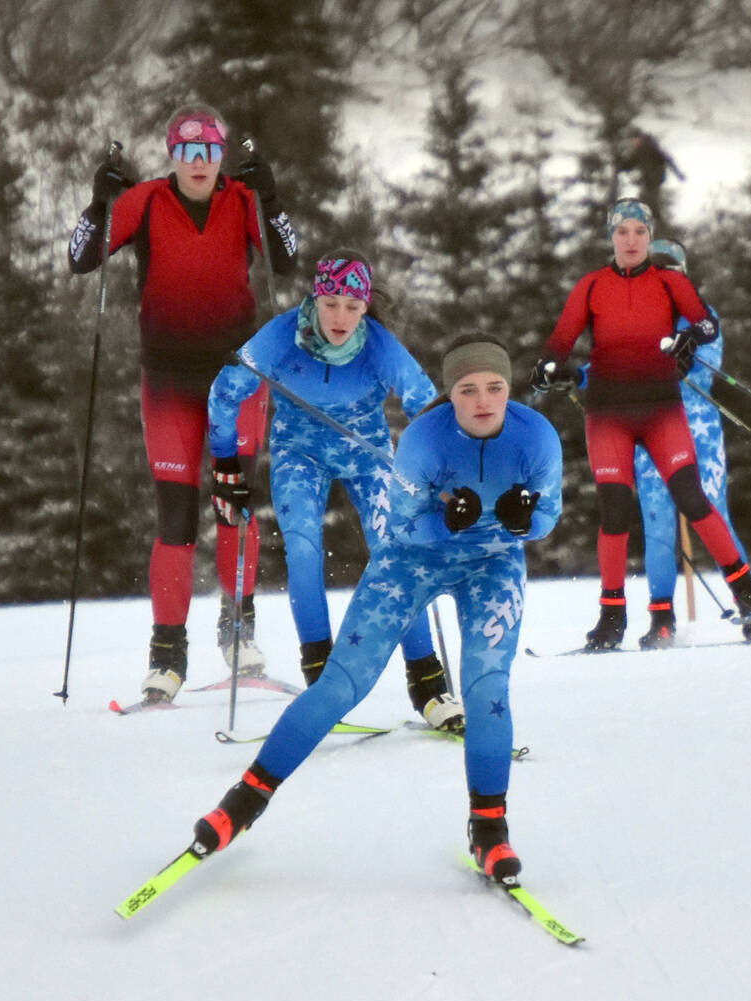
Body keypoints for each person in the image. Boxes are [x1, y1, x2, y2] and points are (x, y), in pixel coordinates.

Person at [183, 336, 561, 886]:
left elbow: (549, 517)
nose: (483, 400)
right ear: (450, 394)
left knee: (487, 688)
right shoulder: (424, 441)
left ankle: (489, 830)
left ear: (509, 389)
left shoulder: (537, 438)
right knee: (340, 685)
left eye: (496, 388)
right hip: (412, 561)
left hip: (493, 565)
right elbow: (403, 526)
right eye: (468, 389)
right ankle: (243, 801)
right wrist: (446, 522)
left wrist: (525, 521)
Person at [67, 102, 301, 703]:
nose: (198, 163)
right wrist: (101, 204)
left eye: (209, 151)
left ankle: (238, 629)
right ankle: (167, 654)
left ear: (222, 156)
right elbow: (80, 258)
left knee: (232, 503)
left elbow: (288, 259)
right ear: (172, 155)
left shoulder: (242, 201)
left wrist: (269, 201)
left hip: (237, 380)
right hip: (169, 379)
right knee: (175, 514)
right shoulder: (144, 201)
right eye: (186, 152)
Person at [207, 249, 462, 730]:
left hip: (367, 454)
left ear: (366, 306)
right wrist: (225, 464)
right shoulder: (284, 334)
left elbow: (426, 407)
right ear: (316, 297)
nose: (340, 316)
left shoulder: (380, 346)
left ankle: (428, 685)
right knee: (303, 550)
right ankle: (321, 680)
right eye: (331, 303)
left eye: (352, 305)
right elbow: (225, 390)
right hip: (297, 453)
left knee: (397, 552)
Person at [533, 198, 751, 649]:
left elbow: (707, 327)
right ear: (611, 236)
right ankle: (614, 619)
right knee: (618, 513)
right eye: (622, 231)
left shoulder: (671, 284)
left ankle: (750, 596)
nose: (631, 240)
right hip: (609, 415)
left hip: (667, 412)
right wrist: (552, 367)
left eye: (639, 232)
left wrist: (688, 340)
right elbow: (562, 339)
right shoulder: (591, 286)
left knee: (696, 501)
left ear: (649, 238)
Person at [603, 239, 751, 648]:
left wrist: (684, 355)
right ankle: (662, 619)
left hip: (698, 428)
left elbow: (709, 357)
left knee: (713, 512)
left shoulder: (701, 314)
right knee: (657, 522)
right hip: (652, 427)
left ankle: (750, 606)